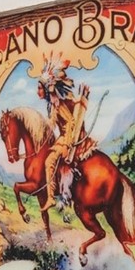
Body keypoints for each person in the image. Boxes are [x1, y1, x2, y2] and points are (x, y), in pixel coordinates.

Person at [37, 62, 96, 207]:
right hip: (63, 137)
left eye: (39, 88)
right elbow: (53, 122)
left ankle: (51, 197)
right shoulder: (52, 103)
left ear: (46, 88)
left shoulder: (59, 103)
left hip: (66, 138)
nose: (37, 91)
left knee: (49, 162)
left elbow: (70, 121)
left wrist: (67, 144)